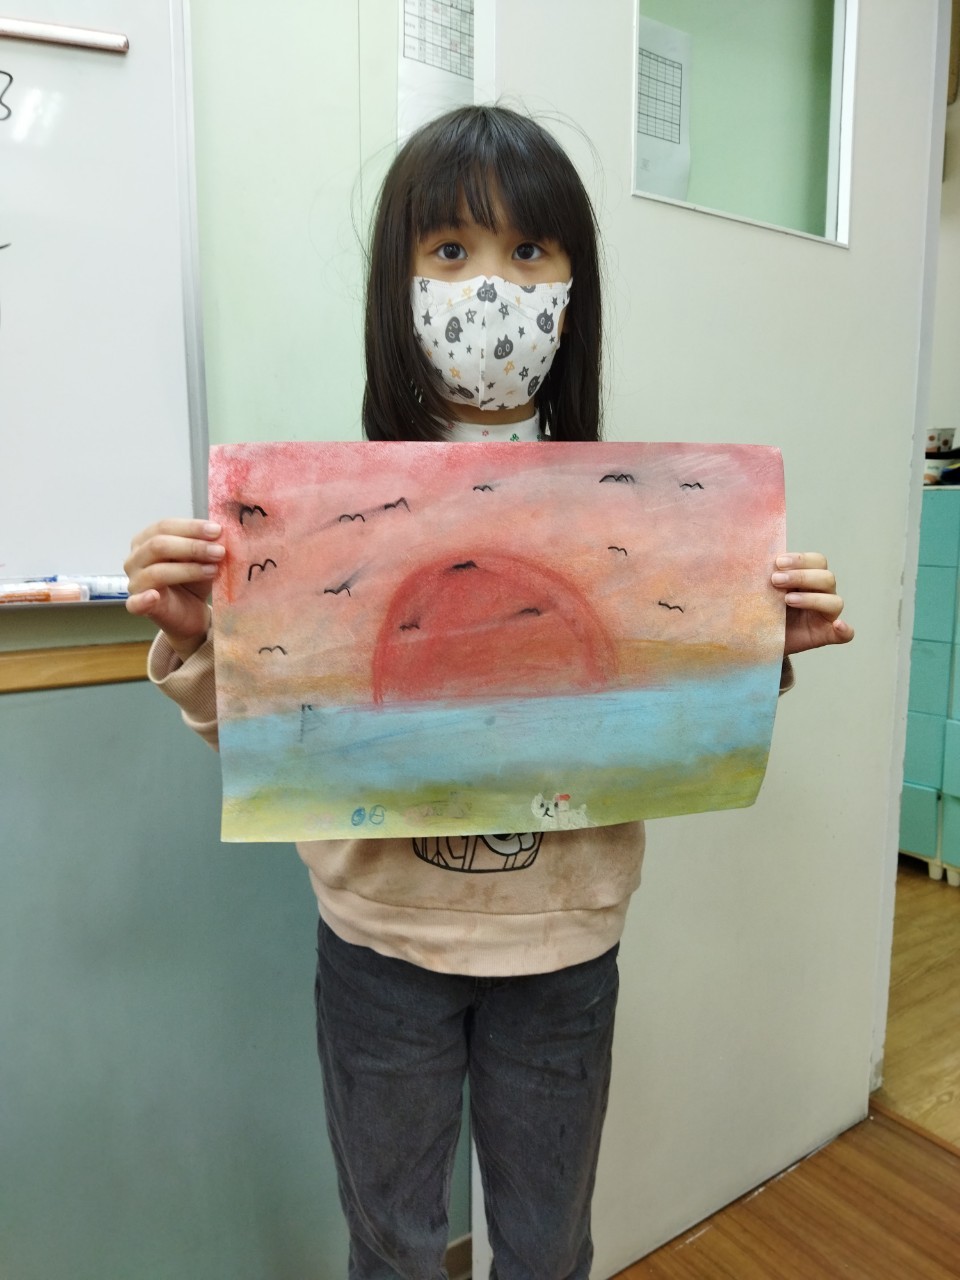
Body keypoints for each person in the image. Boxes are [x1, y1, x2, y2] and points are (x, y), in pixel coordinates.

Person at [124, 105, 854, 1280]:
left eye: (530, 251)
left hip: (565, 950)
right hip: (380, 943)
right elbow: (280, 736)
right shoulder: (308, 520)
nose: (493, 289)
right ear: (397, 282)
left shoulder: (639, 519)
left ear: (574, 285)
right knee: (394, 1245)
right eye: (452, 250)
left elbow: (654, 719)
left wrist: (757, 646)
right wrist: (205, 639)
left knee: (548, 1246)